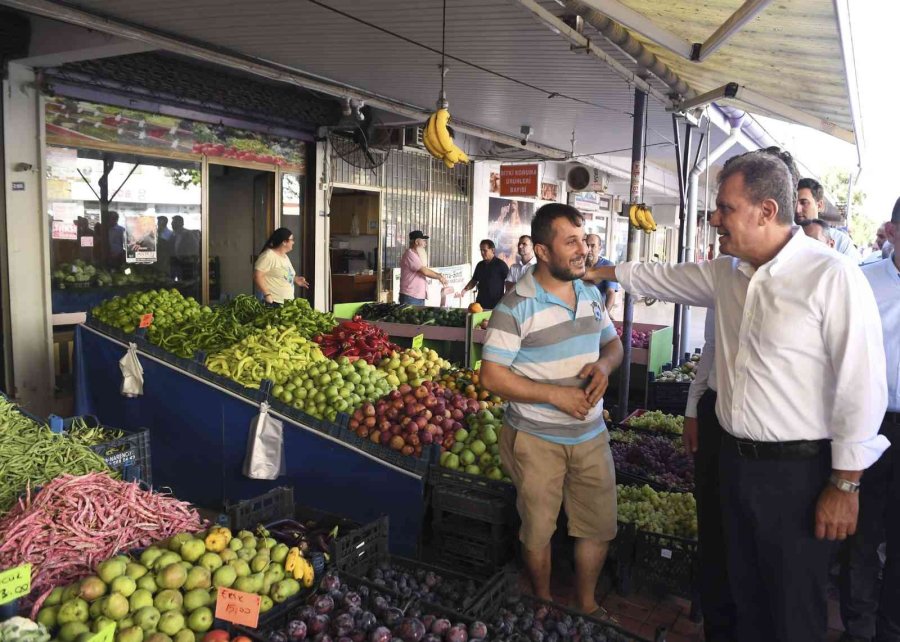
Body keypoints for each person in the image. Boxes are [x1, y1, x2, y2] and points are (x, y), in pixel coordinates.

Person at [587, 150, 888, 642]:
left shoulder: (831, 277)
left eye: (725, 208)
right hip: (731, 462)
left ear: (766, 211)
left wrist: (846, 485)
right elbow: (664, 276)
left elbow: (861, 387)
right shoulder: (727, 273)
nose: (714, 219)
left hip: (798, 476)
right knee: (734, 592)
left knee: (790, 610)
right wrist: (602, 273)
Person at [479, 203, 623, 618]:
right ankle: (542, 601)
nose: (583, 250)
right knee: (538, 528)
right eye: (571, 242)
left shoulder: (590, 293)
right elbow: (491, 377)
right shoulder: (514, 305)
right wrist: (555, 396)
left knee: (597, 524)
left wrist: (604, 365)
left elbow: (612, 344)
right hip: (535, 439)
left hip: (591, 435)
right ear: (542, 251)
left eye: (584, 240)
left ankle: (586, 603)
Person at [840, 198, 899, 642]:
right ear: (892, 232)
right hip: (872, 424)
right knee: (862, 534)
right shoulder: (864, 282)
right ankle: (857, 630)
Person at [796, 177, 860, 261]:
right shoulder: (784, 237)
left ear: (819, 205)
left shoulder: (842, 243)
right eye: (794, 203)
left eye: (804, 203)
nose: (797, 209)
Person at [253, 227, 309, 305]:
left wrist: (295, 279)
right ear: (284, 242)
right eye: (292, 240)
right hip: (274, 302)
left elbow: (281, 274)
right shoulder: (268, 256)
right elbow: (257, 276)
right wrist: (267, 294)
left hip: (286, 302)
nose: (293, 242)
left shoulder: (284, 256)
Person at [399, 230, 447, 305]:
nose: (425, 243)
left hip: (417, 296)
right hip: (411, 296)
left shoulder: (417, 255)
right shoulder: (410, 254)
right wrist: (439, 276)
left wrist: (439, 276)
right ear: (417, 242)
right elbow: (425, 271)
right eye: (423, 241)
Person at [459, 239, 509, 310]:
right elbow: (474, 280)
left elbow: (509, 282)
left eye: (485, 250)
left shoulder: (501, 265)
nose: (482, 253)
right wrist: (464, 290)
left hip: (496, 304)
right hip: (480, 303)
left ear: (492, 250)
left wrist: (507, 298)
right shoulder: (480, 265)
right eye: (481, 250)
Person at [585, 233, 619, 311]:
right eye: (587, 245)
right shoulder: (578, 265)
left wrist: (605, 314)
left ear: (599, 248)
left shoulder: (607, 265)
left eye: (593, 246)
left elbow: (610, 292)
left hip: (598, 311)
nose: (589, 249)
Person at [171, 215, 200, 280]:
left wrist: (190, 258)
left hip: (187, 262)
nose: (173, 224)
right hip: (177, 262)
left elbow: (195, 247)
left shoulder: (187, 234)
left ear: (181, 223)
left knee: (186, 280)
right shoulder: (173, 234)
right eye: (172, 223)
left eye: (175, 222)